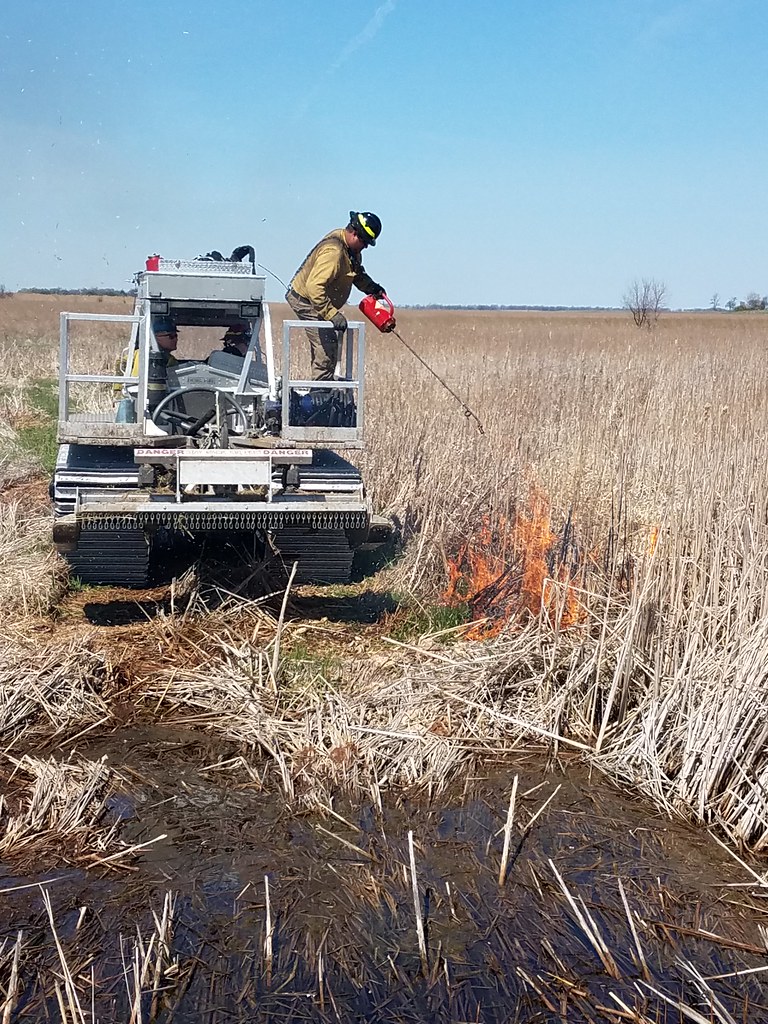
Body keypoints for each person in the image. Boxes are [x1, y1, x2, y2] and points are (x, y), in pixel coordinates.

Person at [286, 211, 395, 380]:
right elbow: (314, 288)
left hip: (316, 300)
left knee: (328, 345)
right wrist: (332, 315)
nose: (366, 246)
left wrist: (371, 287)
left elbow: (355, 273)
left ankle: (322, 392)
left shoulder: (350, 249)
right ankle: (319, 399)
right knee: (326, 348)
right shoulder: (334, 252)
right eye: (364, 241)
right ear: (354, 233)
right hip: (306, 301)